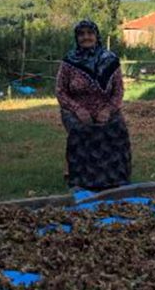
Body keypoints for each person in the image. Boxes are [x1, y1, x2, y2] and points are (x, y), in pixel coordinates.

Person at [55, 19, 132, 191]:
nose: (86, 37)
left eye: (90, 33)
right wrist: (78, 109)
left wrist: (108, 110)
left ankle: (114, 178)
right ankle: (80, 180)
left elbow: (118, 91)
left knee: (118, 130)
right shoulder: (69, 62)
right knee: (81, 131)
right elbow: (60, 91)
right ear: (76, 38)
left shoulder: (111, 60)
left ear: (97, 36)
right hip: (75, 111)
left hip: (106, 109)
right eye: (81, 34)